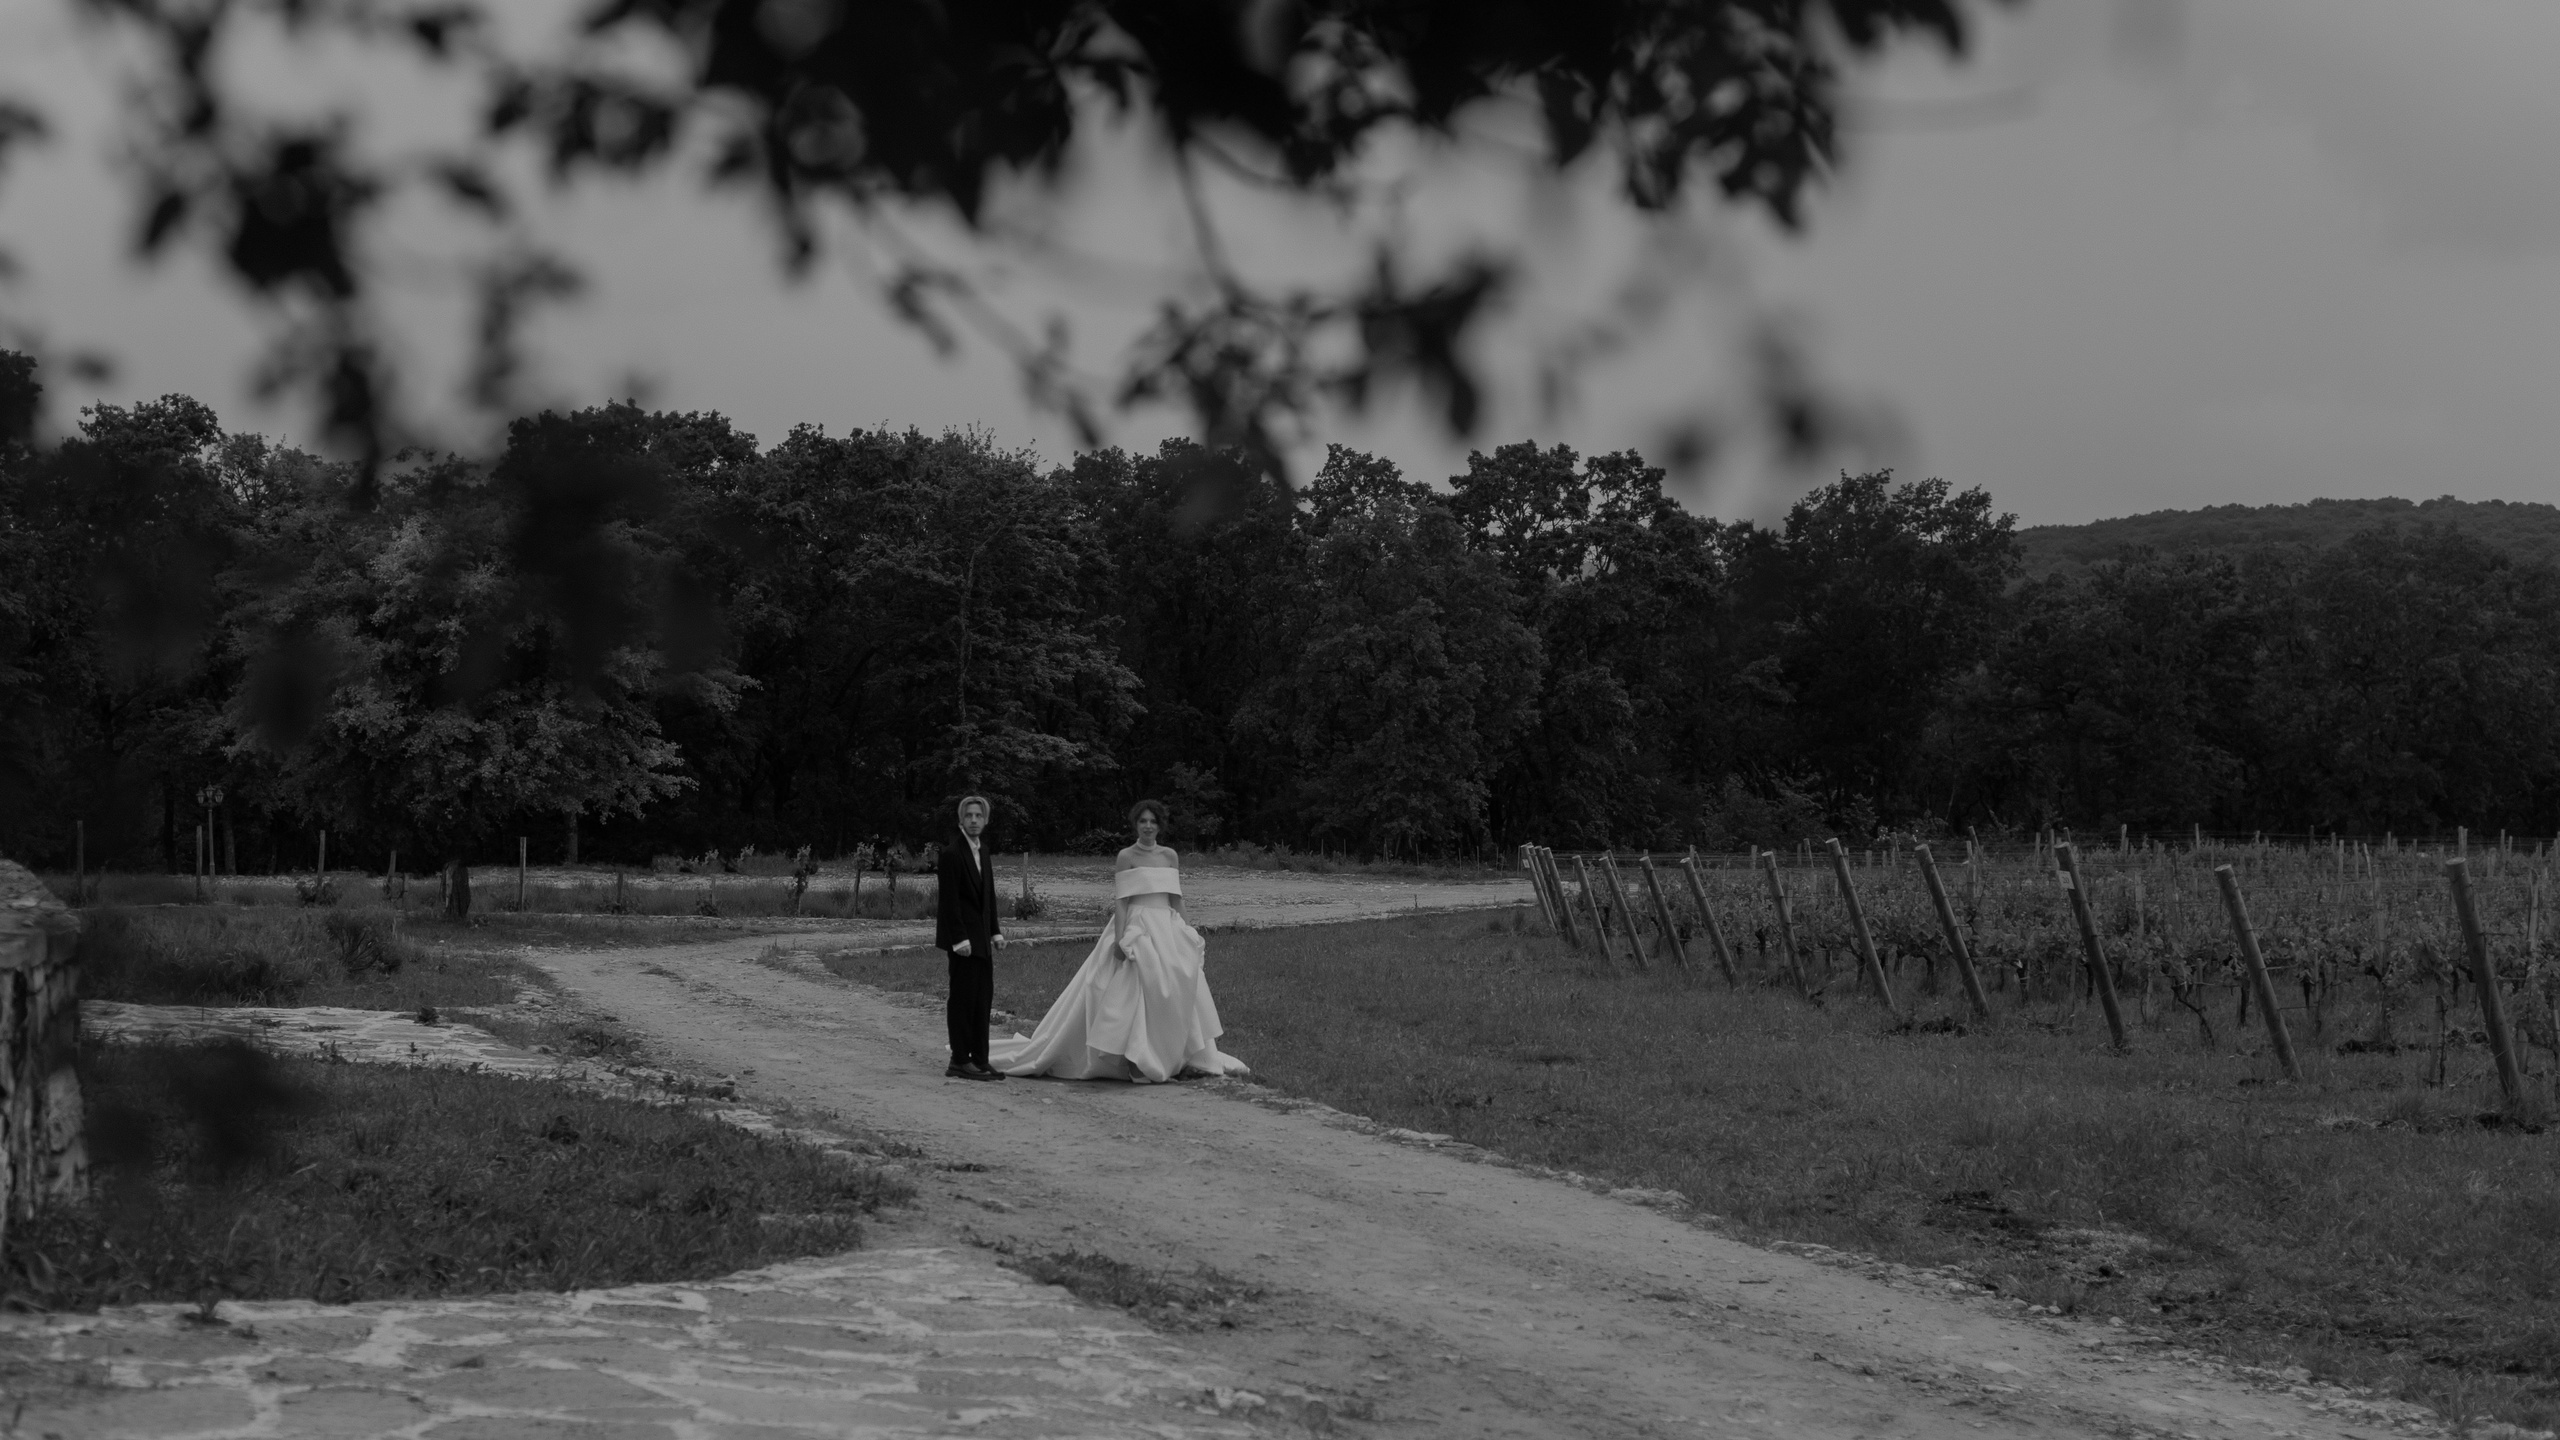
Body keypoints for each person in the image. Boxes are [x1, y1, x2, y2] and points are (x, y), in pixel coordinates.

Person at [990, 799, 1247, 1082]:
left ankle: (1175, 1054)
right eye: (1142, 821)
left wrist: (1188, 931)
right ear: (1135, 825)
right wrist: (1121, 939)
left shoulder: (1170, 856)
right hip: (1137, 927)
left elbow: (1176, 898)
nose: (1147, 826)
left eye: (1152, 821)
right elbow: (1122, 902)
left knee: (1178, 984)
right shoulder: (1126, 856)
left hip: (1167, 926)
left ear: (1159, 825)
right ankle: (1136, 1061)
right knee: (1131, 989)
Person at [935, 794, 1007, 1081]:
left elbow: (987, 897)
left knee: (982, 999)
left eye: (979, 816)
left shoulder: (984, 852)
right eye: (969, 816)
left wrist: (995, 931)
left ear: (986, 820)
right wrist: (959, 939)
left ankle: (980, 1058)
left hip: (982, 942)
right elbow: (949, 902)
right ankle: (959, 1060)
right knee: (963, 999)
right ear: (960, 820)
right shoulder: (952, 854)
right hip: (962, 943)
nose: (974, 820)